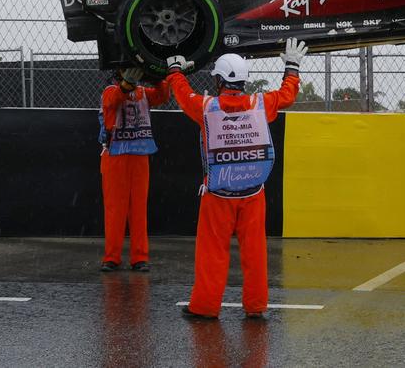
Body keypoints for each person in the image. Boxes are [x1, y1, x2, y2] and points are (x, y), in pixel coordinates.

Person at [164, 39, 306, 320]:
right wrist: (292, 66)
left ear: (219, 79)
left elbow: (181, 94)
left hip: (218, 195)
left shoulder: (205, 106)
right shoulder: (260, 103)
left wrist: (175, 71)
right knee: (255, 254)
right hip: (253, 194)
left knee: (212, 253)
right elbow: (287, 95)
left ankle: (204, 307)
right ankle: (256, 307)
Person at [99, 66, 169, 273]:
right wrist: (126, 84)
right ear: (118, 74)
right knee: (115, 209)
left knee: (138, 208)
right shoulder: (109, 90)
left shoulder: (143, 94)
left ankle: (139, 257)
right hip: (114, 156)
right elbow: (113, 100)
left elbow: (163, 96)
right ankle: (111, 257)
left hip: (139, 155)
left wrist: (156, 77)